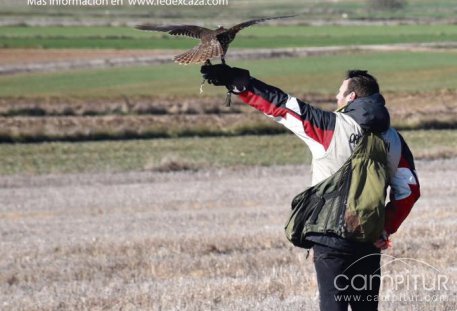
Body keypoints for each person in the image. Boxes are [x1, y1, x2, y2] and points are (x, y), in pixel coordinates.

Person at [201, 64, 421, 311]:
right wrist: (385, 228)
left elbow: (282, 106)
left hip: (329, 240)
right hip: (368, 238)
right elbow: (409, 191)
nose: (336, 98)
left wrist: (239, 83)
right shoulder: (394, 139)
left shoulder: (329, 125)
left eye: (340, 93)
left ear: (352, 97)